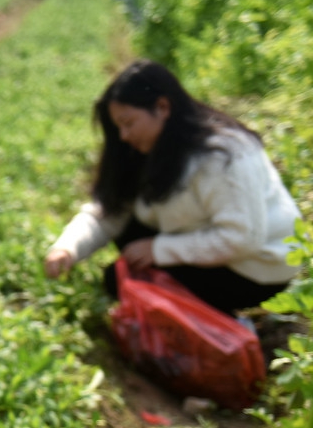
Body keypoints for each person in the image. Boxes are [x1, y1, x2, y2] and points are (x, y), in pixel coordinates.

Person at [44, 59, 301, 316]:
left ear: (163, 107)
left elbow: (241, 239)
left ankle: (220, 322)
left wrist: (158, 250)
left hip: (256, 269)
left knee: (119, 279)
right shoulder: (146, 149)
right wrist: (67, 248)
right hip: (208, 239)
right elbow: (109, 209)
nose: (123, 135)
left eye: (129, 123)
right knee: (128, 243)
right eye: (118, 127)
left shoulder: (224, 155)